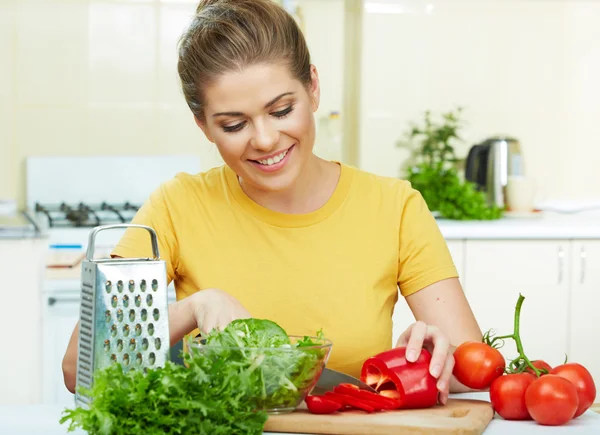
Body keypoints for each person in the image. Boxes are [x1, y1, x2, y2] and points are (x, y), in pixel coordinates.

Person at [62, 0, 483, 405]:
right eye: (233, 124)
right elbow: (78, 368)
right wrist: (194, 308)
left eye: (281, 110)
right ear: (204, 126)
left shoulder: (395, 207)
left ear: (313, 88)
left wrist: (432, 355)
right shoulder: (177, 205)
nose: (264, 140)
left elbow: (473, 369)